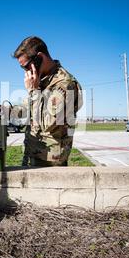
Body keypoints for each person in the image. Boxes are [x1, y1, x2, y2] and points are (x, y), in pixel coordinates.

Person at [12, 36, 83, 166]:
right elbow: (26, 108)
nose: (26, 72)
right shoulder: (41, 81)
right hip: (31, 154)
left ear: (40, 57)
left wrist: (33, 92)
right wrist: (6, 111)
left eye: (26, 66)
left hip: (50, 161)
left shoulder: (65, 84)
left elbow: (48, 123)